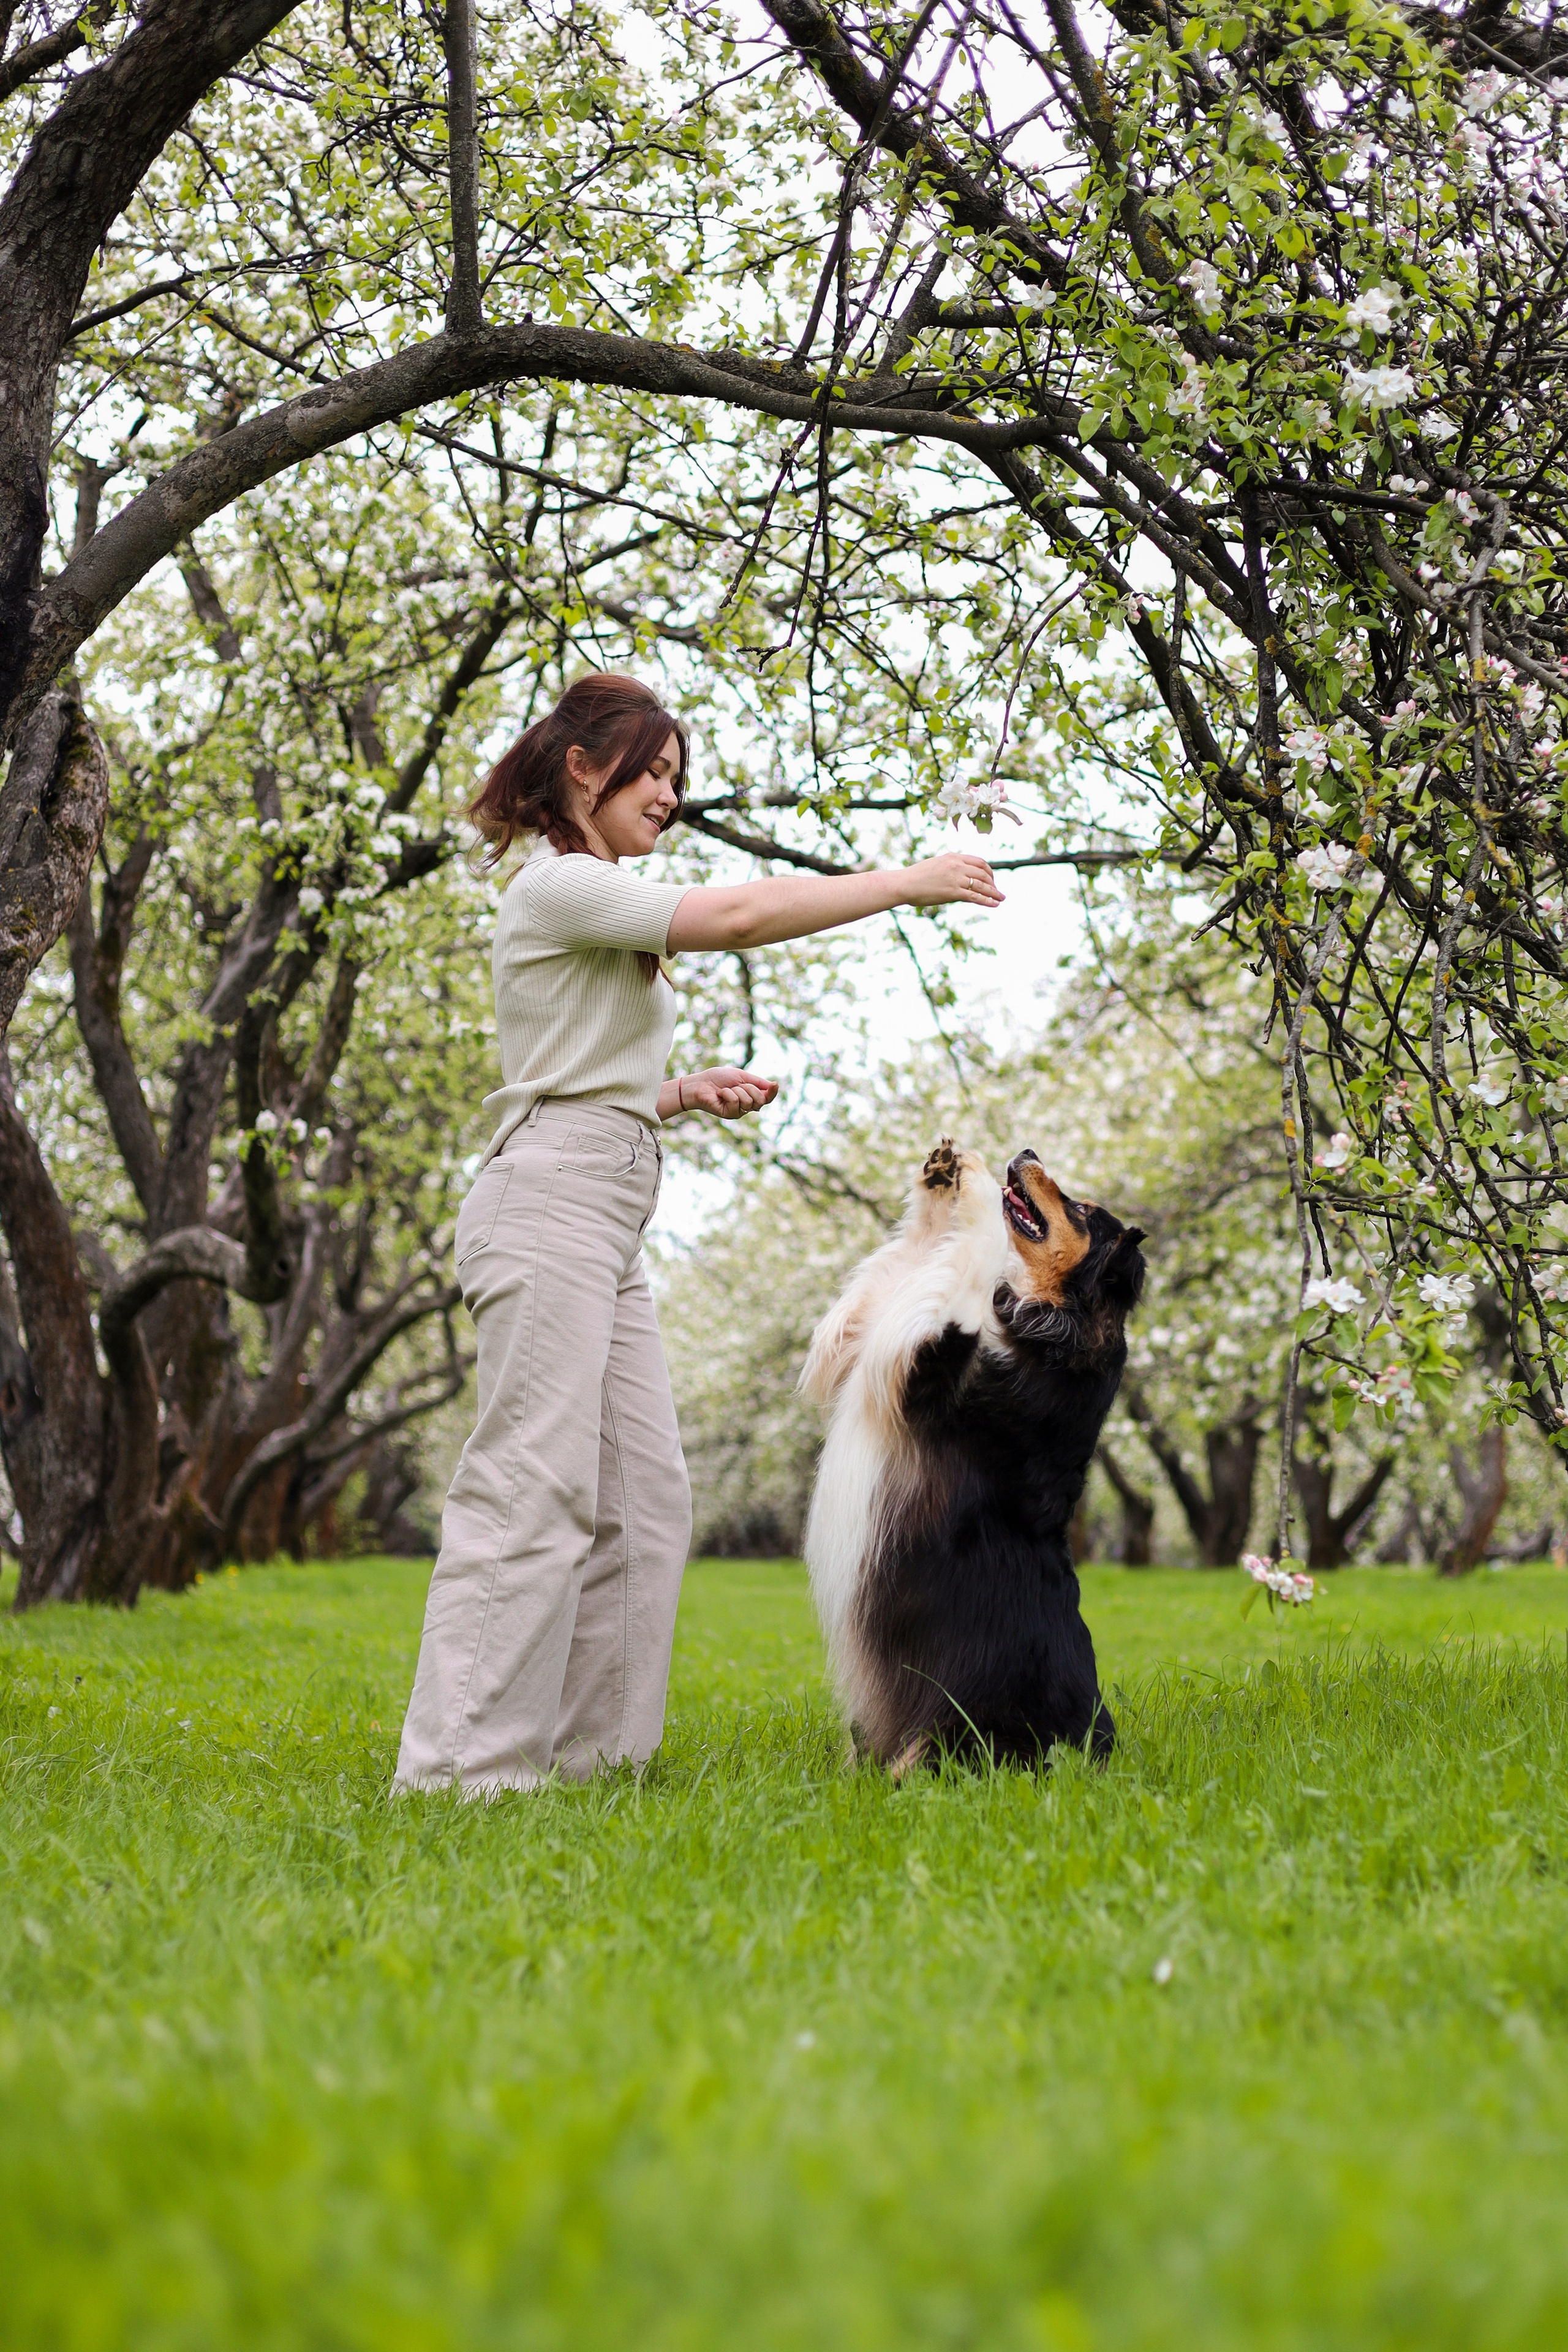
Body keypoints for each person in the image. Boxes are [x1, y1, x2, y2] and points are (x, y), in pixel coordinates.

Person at [393, 671, 1003, 1794]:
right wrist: (905, 883)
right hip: (550, 1204)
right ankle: (460, 1776)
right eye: (653, 770)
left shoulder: (587, 894)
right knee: (534, 1487)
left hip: (604, 1202)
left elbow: (565, 1068)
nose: (669, 794)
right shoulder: (558, 884)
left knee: (646, 1498)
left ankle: (593, 1763)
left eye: (678, 778)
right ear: (582, 766)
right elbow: (733, 918)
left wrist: (674, 1093)